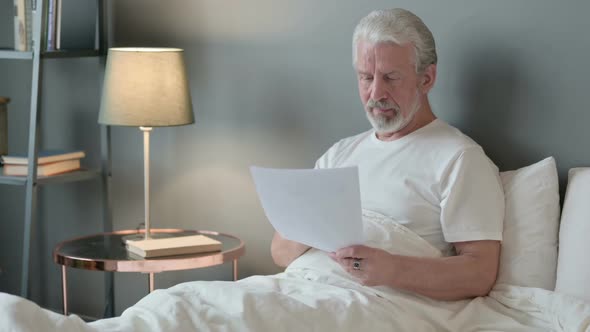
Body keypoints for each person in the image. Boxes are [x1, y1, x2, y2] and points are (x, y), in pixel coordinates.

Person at [270, 8, 505, 301]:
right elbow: (279, 253)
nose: (376, 93)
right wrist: (311, 225)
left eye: (391, 78)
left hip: (374, 302)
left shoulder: (459, 158)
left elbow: (480, 273)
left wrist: (392, 270)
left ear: (427, 78)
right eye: (366, 77)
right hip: (301, 288)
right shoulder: (340, 154)